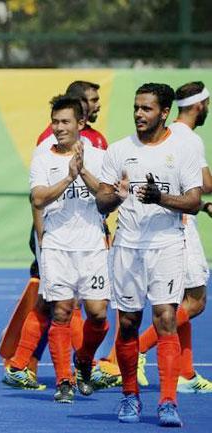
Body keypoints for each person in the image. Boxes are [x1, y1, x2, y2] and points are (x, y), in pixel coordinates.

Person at [96, 83, 202, 427]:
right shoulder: (119, 150)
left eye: (147, 109)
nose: (139, 114)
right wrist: (117, 196)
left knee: (166, 319)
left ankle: (168, 402)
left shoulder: (183, 149)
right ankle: (130, 396)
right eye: (137, 107)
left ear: (164, 112)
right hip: (127, 248)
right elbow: (101, 200)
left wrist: (160, 199)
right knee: (128, 322)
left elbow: (194, 202)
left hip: (167, 245)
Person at [29, 95, 110, 403]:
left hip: (92, 246)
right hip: (58, 246)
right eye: (55, 121)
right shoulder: (42, 156)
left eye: (65, 122)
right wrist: (68, 177)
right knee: (61, 312)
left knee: (98, 315)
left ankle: (85, 360)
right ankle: (64, 381)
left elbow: (107, 197)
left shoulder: (100, 156)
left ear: (80, 124)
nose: (58, 127)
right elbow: (38, 198)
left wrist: (84, 172)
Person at [134, 81, 212, 393]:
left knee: (180, 300)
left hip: (171, 221)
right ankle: (136, 349)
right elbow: (204, 184)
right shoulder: (189, 139)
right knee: (196, 302)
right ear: (200, 105)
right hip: (180, 224)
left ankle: (186, 374)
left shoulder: (174, 135)